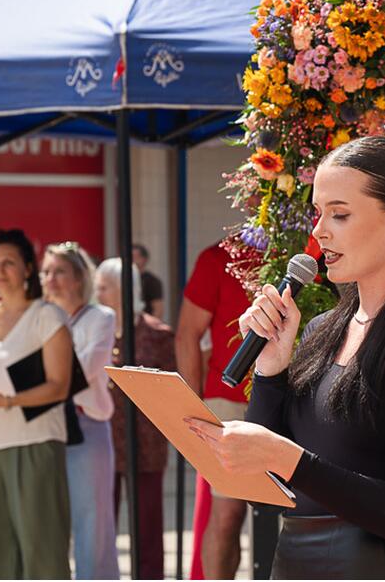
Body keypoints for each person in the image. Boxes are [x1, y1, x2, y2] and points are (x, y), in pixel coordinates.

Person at [187, 136, 385, 579]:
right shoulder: (321, 330)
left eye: (339, 214)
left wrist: (288, 458)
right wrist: (270, 370)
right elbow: (263, 491)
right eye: (319, 213)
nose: (320, 231)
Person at [0, 228, 73, 579]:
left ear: (27, 269)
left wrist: (7, 400)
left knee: (43, 554)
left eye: (8, 262)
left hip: (36, 447)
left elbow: (59, 387)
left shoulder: (46, 317)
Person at [41, 243, 120, 580]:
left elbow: (83, 370)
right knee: (45, 519)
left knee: (93, 523)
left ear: (78, 277)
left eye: (59, 271)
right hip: (45, 425)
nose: (50, 279)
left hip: (87, 426)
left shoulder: (101, 316)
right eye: (46, 271)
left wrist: (41, 377)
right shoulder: (39, 318)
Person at [175, 240, 252, 579]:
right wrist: (193, 412)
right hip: (228, 401)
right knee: (226, 516)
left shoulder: (312, 252)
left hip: (297, 398)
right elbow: (187, 334)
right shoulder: (218, 257)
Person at [95, 257, 175, 581]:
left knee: (147, 526)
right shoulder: (94, 330)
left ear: (121, 290)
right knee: (103, 524)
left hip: (145, 442)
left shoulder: (157, 333)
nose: (97, 294)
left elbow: (171, 385)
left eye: (103, 287)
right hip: (103, 441)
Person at [132, 244, 164, 320]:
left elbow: (158, 309)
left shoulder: (152, 281)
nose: (132, 260)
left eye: (135, 257)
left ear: (144, 259)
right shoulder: (121, 279)